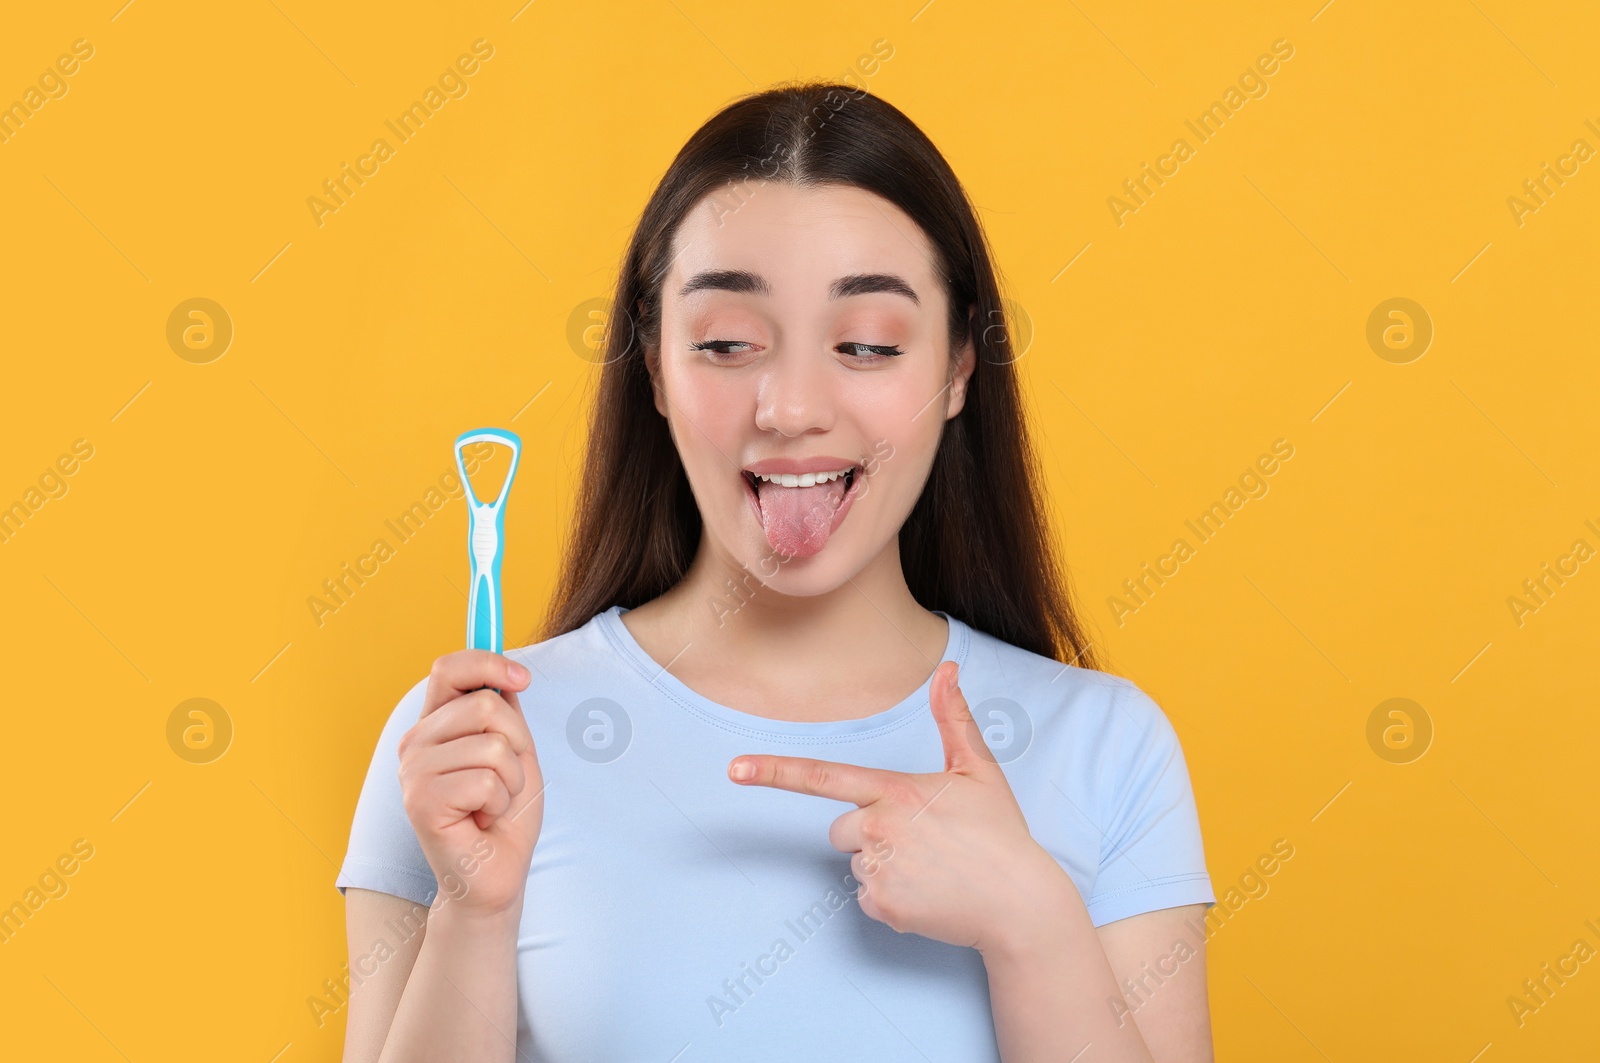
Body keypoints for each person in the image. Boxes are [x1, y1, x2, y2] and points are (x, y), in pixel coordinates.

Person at [335, 80, 1216, 1062]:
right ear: (656, 368)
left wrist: (1034, 925)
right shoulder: (471, 752)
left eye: (867, 345)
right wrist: (474, 911)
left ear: (961, 366)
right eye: (724, 343)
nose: (791, 405)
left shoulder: (1106, 747)